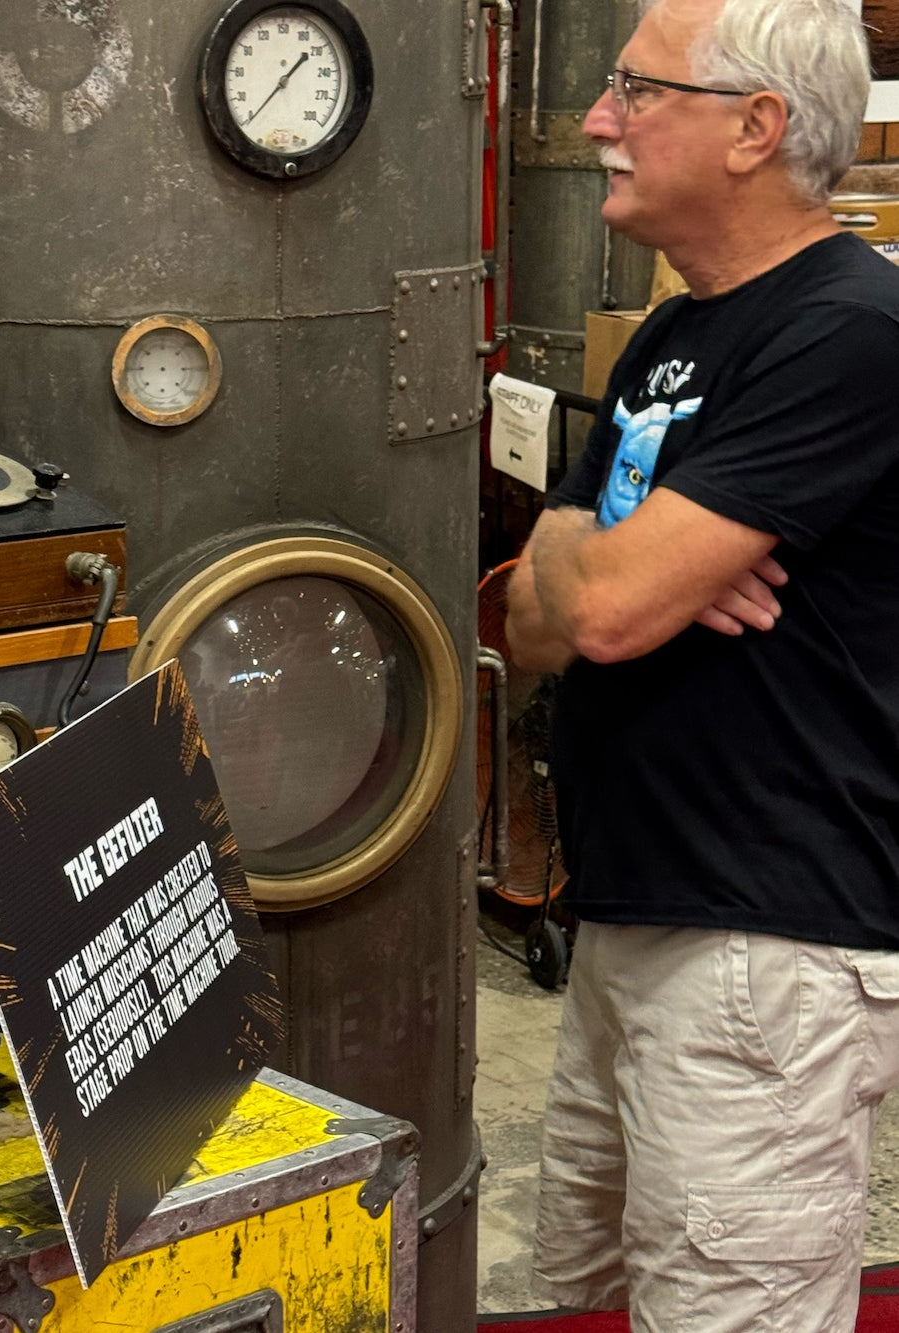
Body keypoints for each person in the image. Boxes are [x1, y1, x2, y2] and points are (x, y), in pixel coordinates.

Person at [504, 0, 899, 1328]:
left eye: (635, 89)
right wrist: (611, 559)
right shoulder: (672, 338)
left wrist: (604, 563)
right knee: (595, 1299)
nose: (596, 122)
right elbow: (529, 618)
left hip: (763, 949)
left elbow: (603, 613)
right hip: (633, 912)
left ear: (755, 126)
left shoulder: (850, 331)